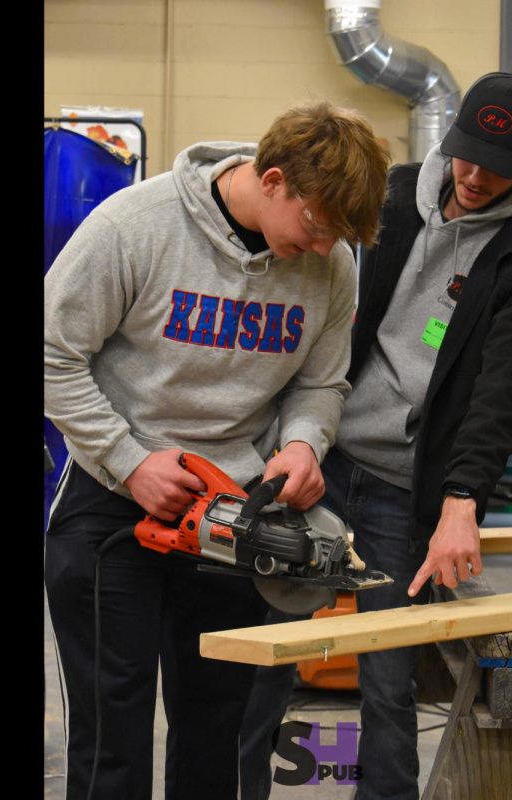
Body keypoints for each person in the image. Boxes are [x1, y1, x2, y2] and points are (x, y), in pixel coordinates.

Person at [240, 73, 512, 800]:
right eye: (465, 156)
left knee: (386, 680)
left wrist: (461, 500)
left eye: (498, 163)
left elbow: (504, 393)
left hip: (402, 487)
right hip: (317, 456)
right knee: (257, 659)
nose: (475, 177)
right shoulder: (390, 194)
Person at [44, 101, 389, 800]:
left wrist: (301, 444)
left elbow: (321, 383)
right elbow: (53, 355)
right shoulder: (131, 228)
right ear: (271, 180)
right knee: (113, 728)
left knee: (218, 728)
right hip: (114, 505)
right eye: (317, 226)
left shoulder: (333, 263)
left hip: (235, 513)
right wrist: (130, 460)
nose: (324, 250)